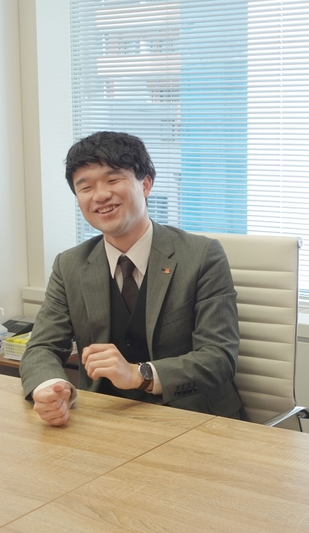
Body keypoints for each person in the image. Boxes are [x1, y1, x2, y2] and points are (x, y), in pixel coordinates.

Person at [20, 131, 243, 426]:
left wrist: (140, 375)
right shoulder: (70, 264)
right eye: (85, 187)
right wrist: (50, 388)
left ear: (146, 184)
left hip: (193, 418)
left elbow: (219, 357)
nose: (100, 195)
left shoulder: (201, 255)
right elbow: (42, 347)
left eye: (113, 180)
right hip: (106, 418)